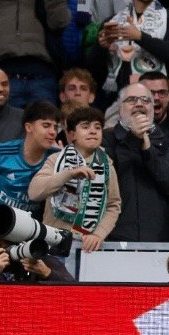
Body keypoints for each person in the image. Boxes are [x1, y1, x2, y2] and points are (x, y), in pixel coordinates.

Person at [28, 106, 121, 253]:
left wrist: (99, 234)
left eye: (97, 127)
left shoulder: (107, 166)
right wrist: (69, 174)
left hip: (88, 247)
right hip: (54, 243)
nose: (92, 131)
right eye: (85, 127)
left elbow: (113, 205)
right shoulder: (57, 160)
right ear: (72, 135)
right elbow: (34, 192)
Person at [0, 101, 60, 240]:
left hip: (29, 237)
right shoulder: (3, 152)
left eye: (56, 127)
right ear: (29, 127)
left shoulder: (55, 159)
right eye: (46, 125)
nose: (52, 132)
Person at [104, 84, 169, 242]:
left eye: (146, 100)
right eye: (131, 100)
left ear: (153, 109)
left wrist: (146, 147)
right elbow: (105, 180)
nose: (139, 104)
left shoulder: (167, 142)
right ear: (120, 108)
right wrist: (133, 138)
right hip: (112, 238)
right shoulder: (106, 139)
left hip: (158, 239)